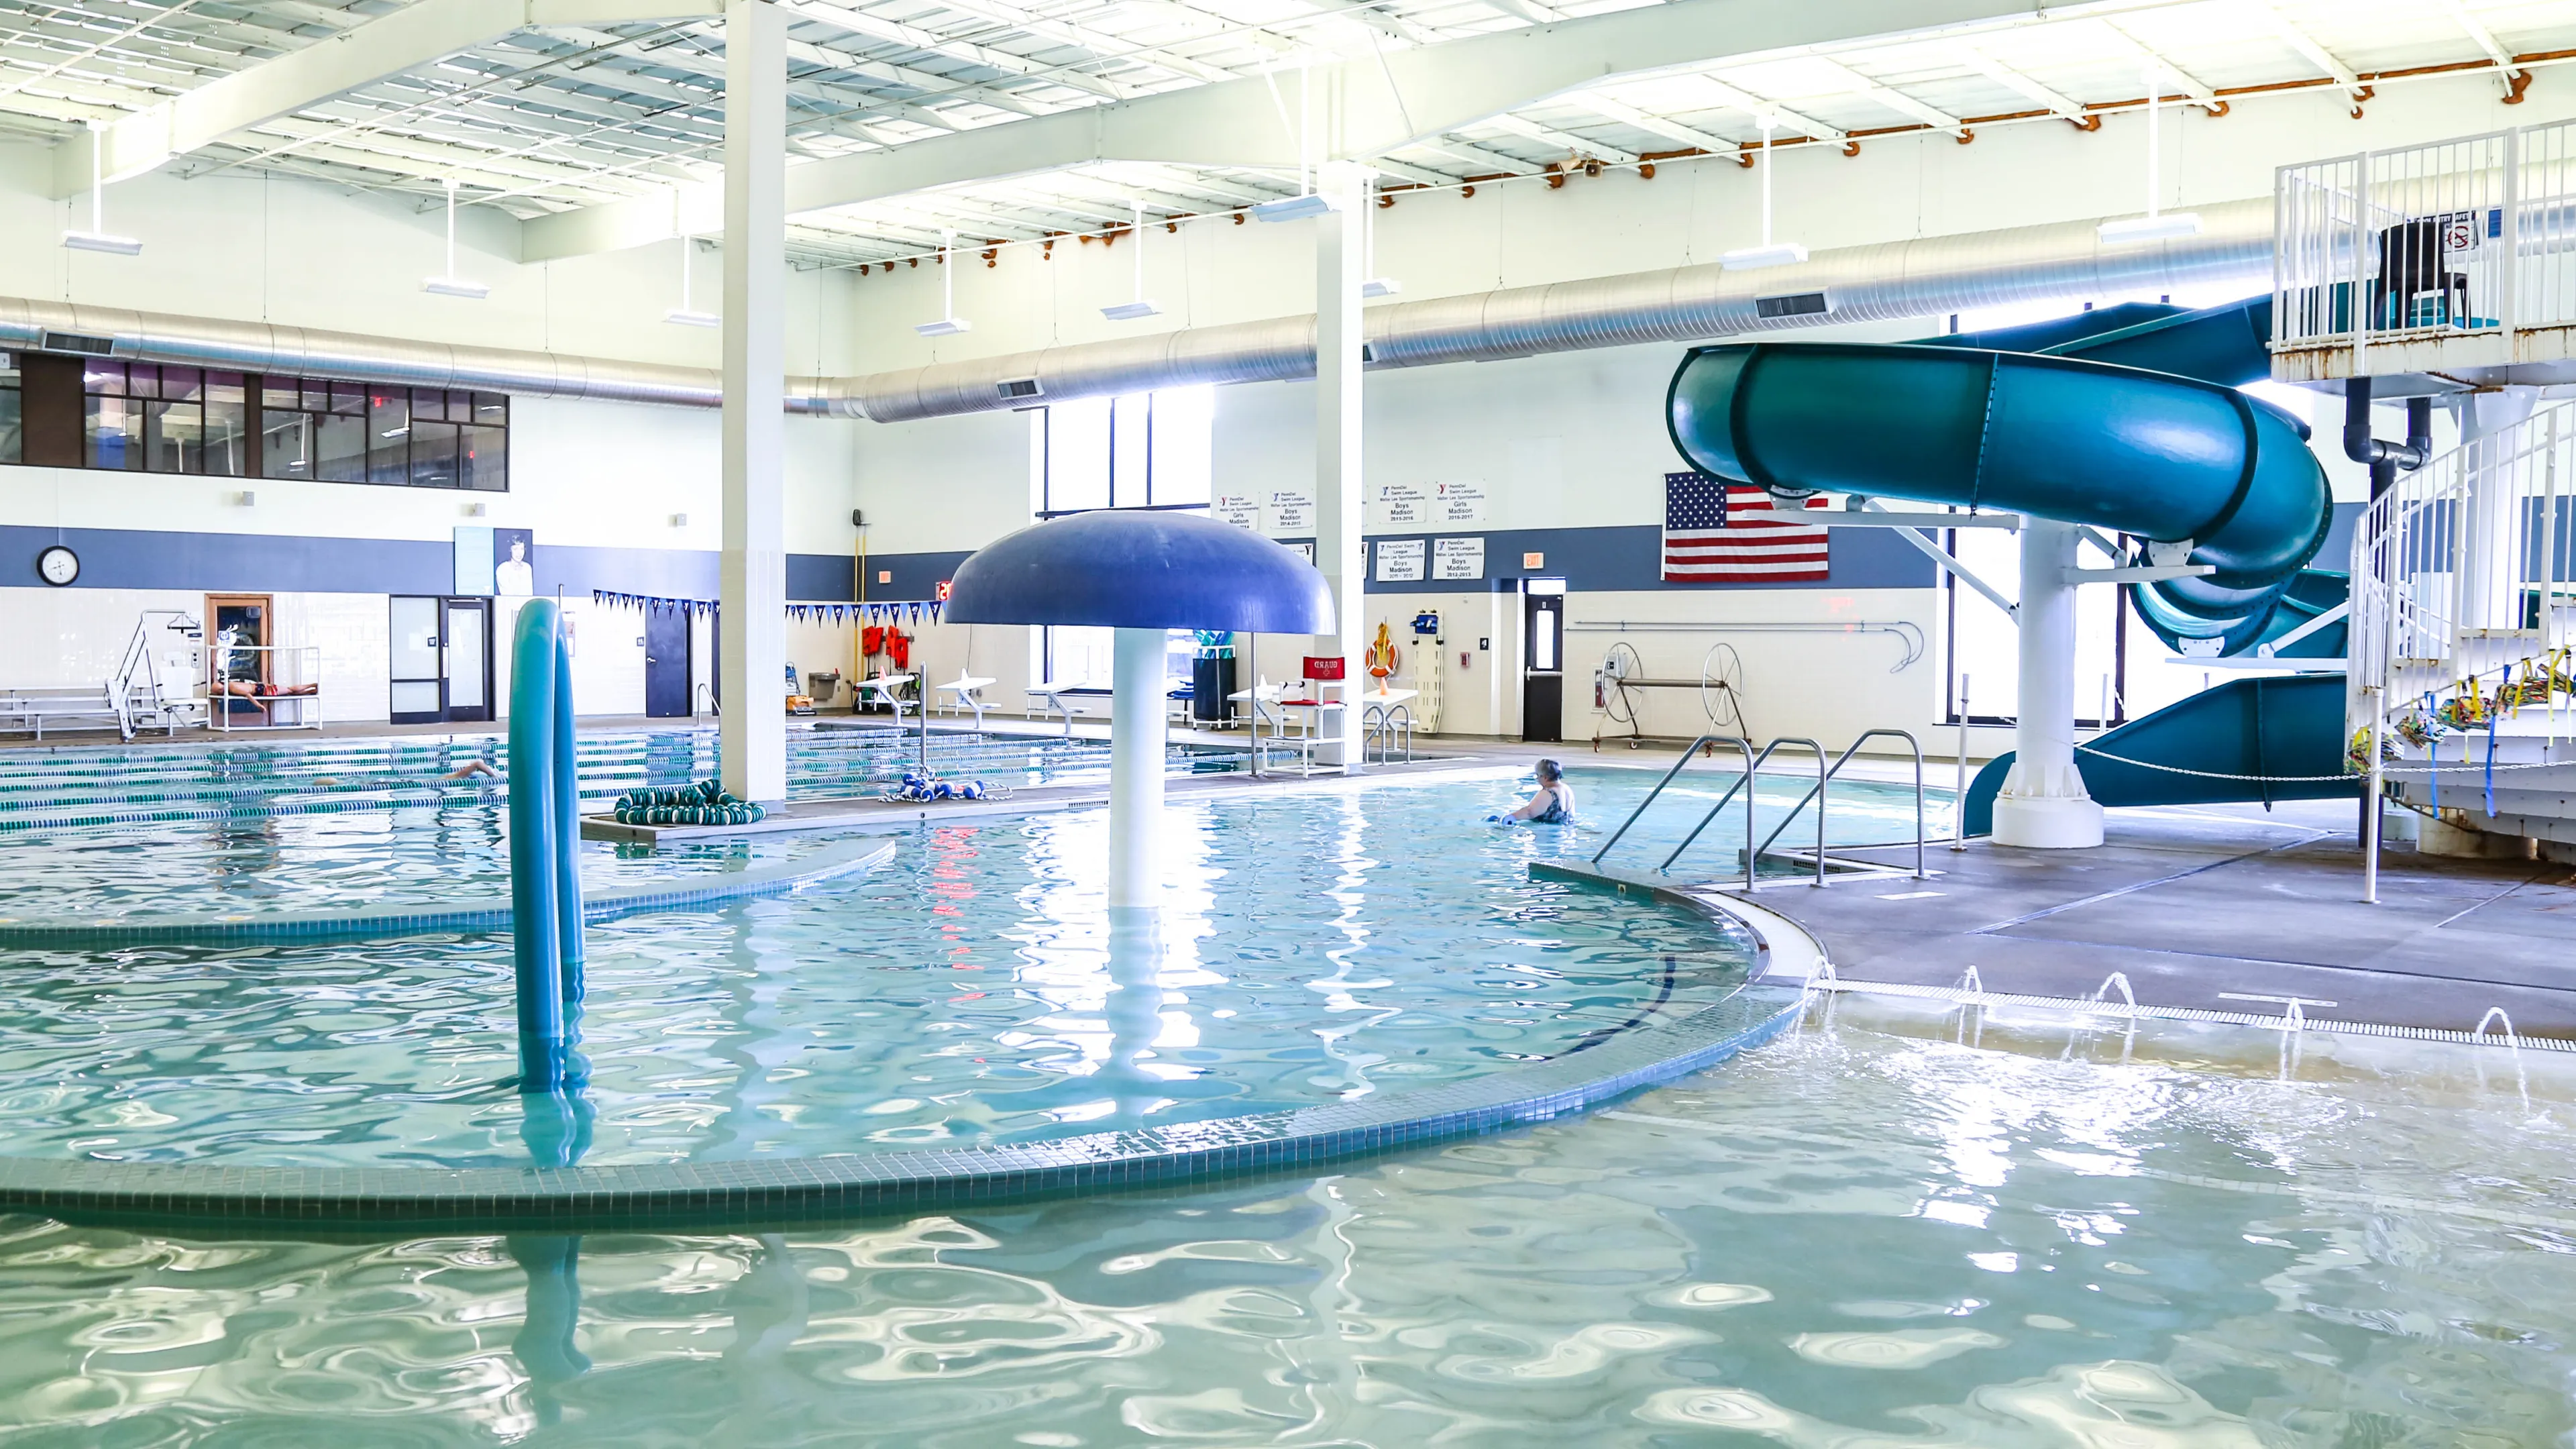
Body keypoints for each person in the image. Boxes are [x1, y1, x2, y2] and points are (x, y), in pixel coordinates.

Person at [1492, 759, 1576, 825]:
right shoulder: (1567, 789)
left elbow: (1529, 812)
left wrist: (1509, 818)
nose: (1537, 779)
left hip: (1548, 835)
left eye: (1538, 776)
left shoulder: (1548, 793)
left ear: (1545, 777)